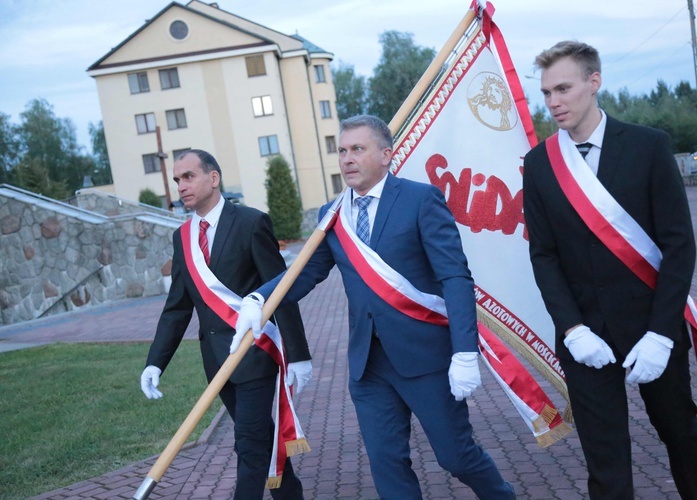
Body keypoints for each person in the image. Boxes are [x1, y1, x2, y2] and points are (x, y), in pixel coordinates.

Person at [232, 115, 515, 499]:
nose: (347, 159)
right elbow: (306, 272)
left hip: (426, 359)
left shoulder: (420, 199)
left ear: (386, 154)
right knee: (387, 466)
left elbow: (455, 277)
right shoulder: (331, 215)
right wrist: (260, 297)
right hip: (369, 365)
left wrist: (465, 352)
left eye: (357, 150)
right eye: (342, 151)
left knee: (456, 458)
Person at [522, 41, 697, 499]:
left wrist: (663, 332)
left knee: (681, 436)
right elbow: (543, 255)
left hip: (653, 327)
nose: (553, 102)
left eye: (563, 88)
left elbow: (678, 245)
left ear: (594, 82)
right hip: (585, 336)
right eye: (547, 92)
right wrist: (572, 330)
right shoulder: (538, 164)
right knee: (604, 456)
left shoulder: (649, 146)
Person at [139, 149, 311, 499]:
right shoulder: (182, 237)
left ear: (213, 178)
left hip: (255, 355)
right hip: (217, 364)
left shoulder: (250, 222)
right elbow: (177, 309)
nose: (181, 186)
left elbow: (280, 288)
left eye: (188, 177)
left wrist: (298, 353)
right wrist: (155, 362)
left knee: (248, 446)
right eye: (177, 180)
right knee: (261, 437)